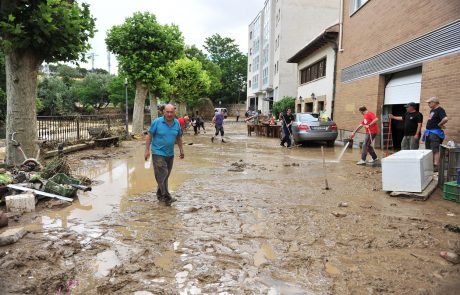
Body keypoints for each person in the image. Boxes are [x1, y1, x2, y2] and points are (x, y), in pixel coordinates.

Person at [144, 104, 184, 206]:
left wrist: (181, 150)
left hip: (170, 154)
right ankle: (166, 196)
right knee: (163, 173)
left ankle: (160, 194)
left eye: (171, 112)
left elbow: (178, 137)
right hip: (158, 152)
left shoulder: (177, 124)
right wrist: (147, 150)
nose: (169, 114)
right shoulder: (157, 122)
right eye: (167, 112)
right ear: (163, 112)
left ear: (174, 112)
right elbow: (149, 135)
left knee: (165, 176)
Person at [422, 97, 448, 171]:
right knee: (429, 149)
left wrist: (440, 124)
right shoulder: (432, 110)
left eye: (429, 102)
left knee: (435, 149)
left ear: (434, 102)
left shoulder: (440, 110)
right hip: (429, 132)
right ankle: (430, 164)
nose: (428, 104)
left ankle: (436, 166)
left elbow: (445, 119)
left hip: (435, 133)